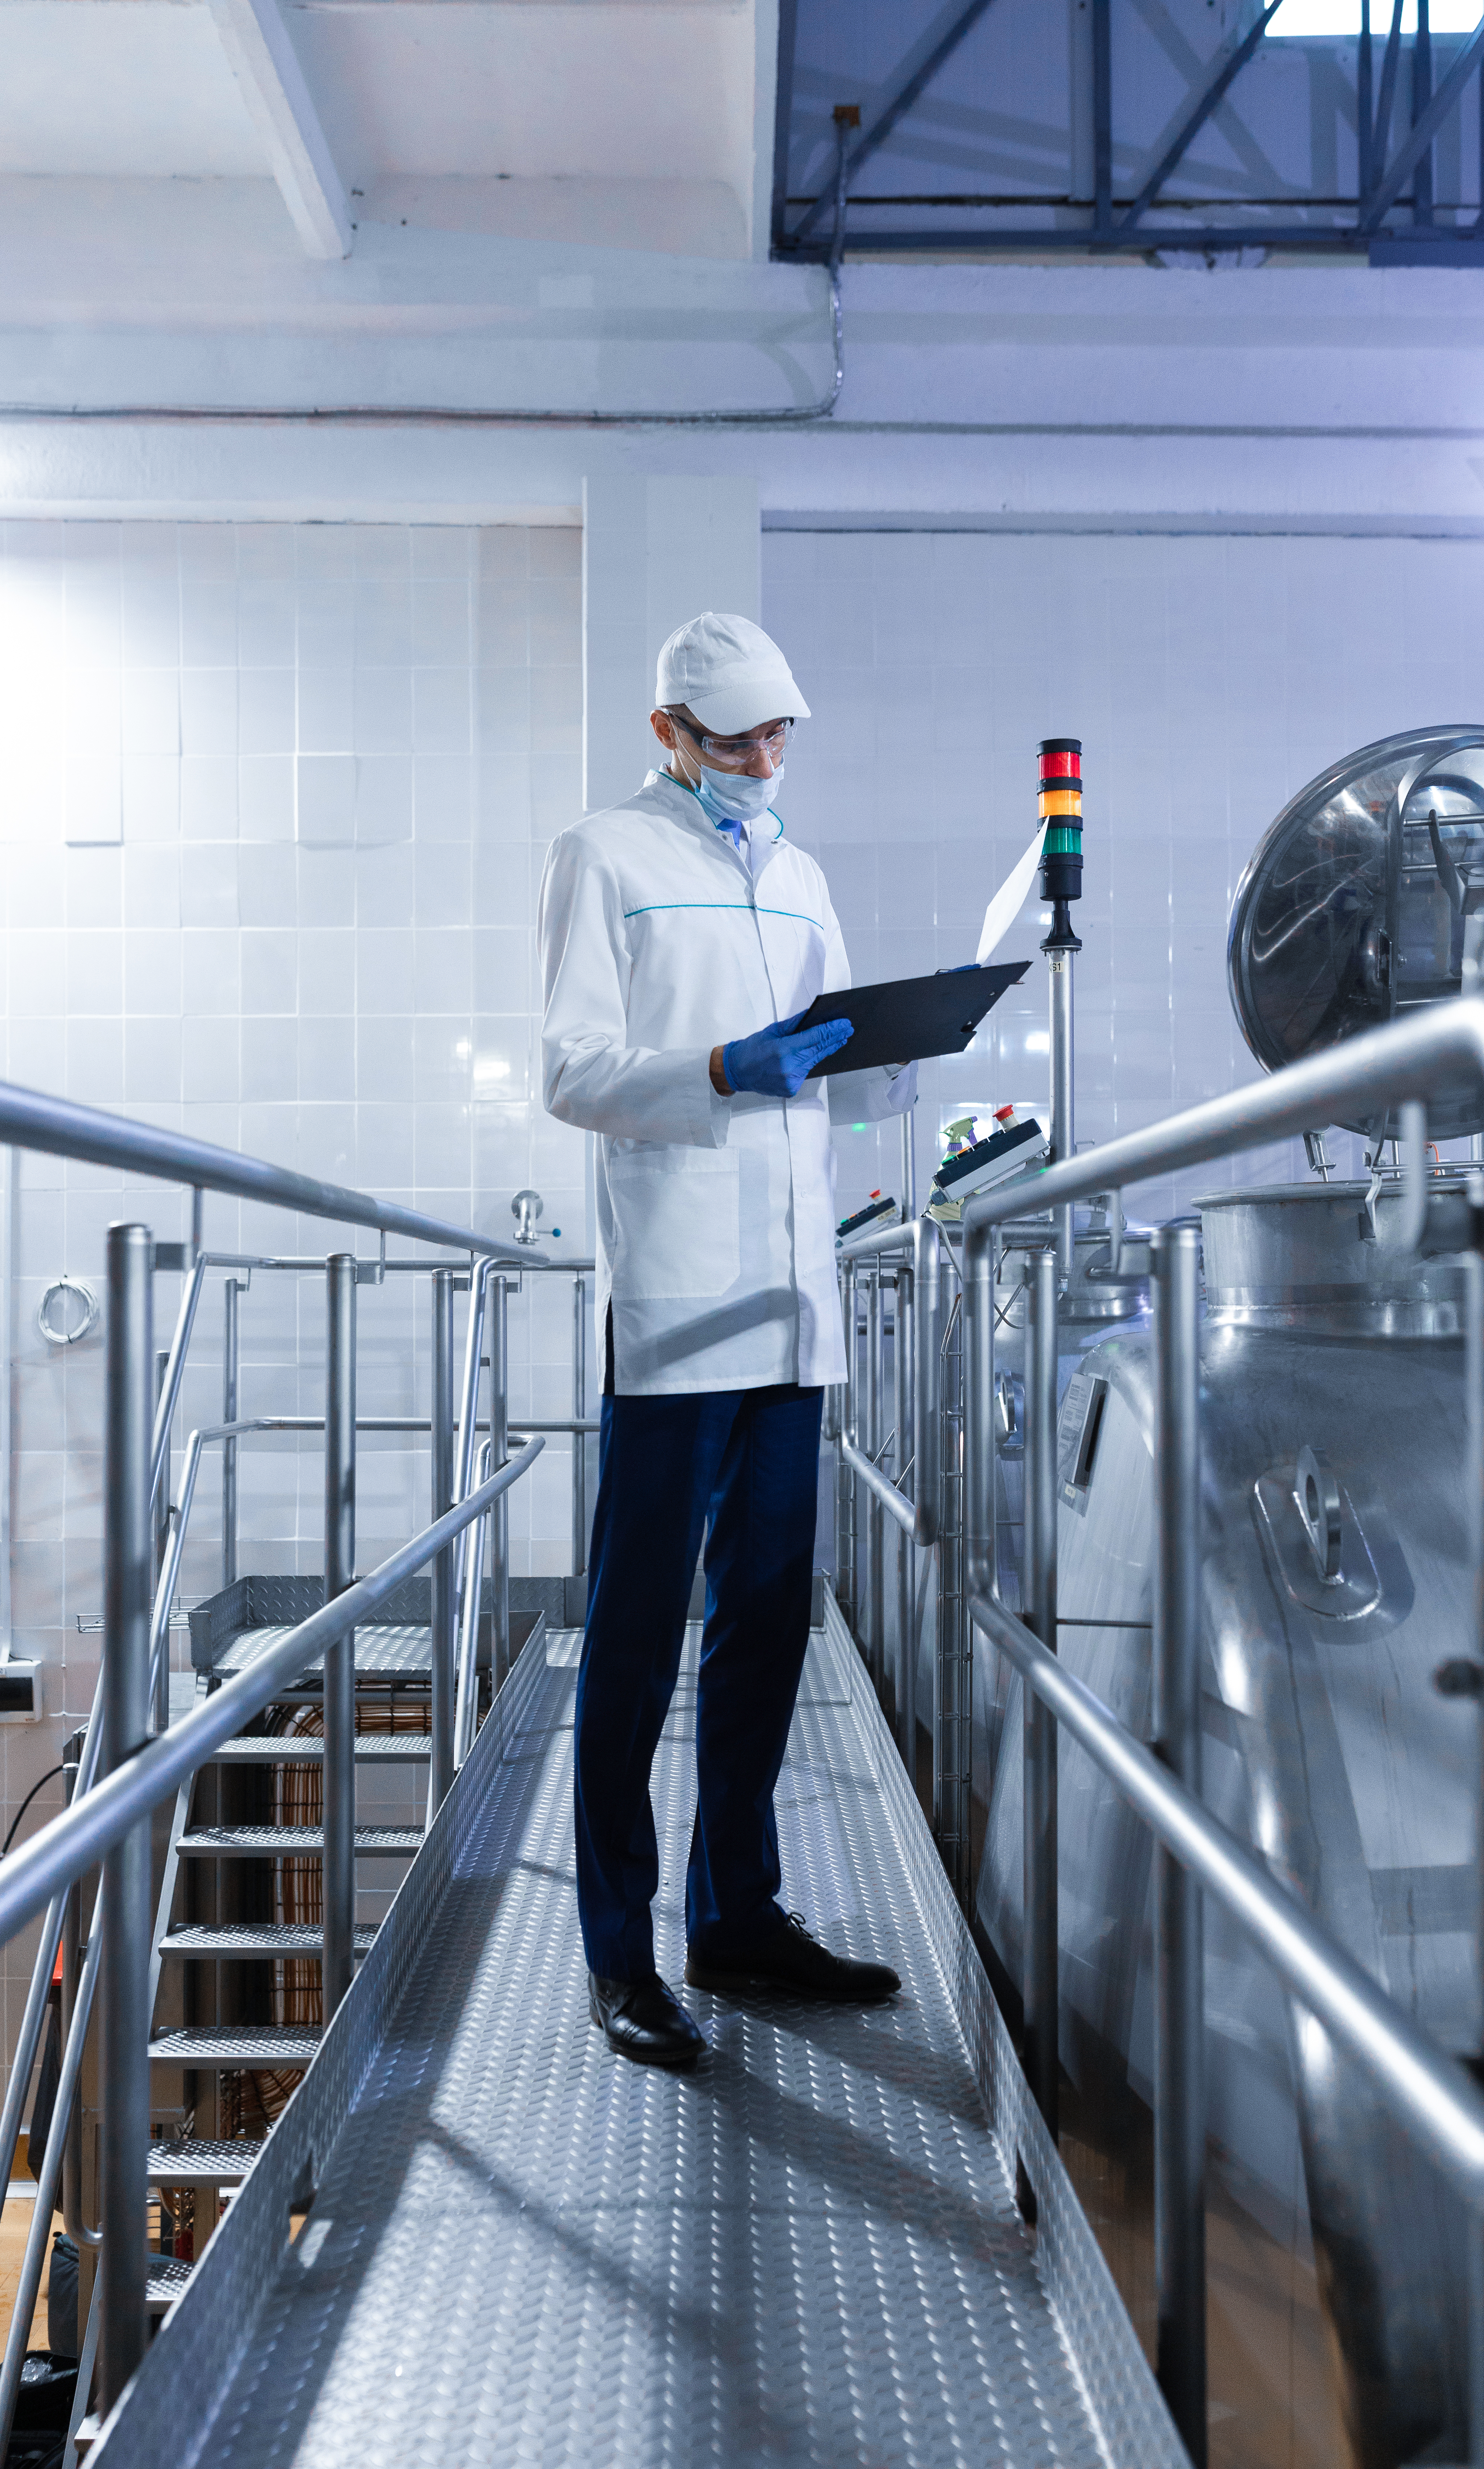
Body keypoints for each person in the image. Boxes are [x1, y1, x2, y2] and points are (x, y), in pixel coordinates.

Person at [538, 610, 915, 2070]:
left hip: (795, 1308)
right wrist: (717, 1069)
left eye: (778, 737)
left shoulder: (803, 874)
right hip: (683, 1309)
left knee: (767, 1621)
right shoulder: (607, 858)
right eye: (737, 739)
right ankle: (621, 1956)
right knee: (635, 1646)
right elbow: (572, 1072)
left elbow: (834, 1083)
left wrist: (896, 1060)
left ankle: (738, 1916)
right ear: (668, 738)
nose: (765, 761)